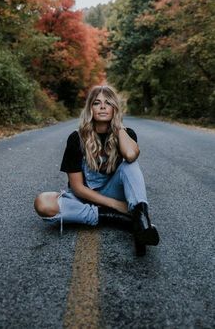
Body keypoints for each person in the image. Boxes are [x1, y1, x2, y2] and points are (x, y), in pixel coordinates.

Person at [34, 85, 159, 256]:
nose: (102, 107)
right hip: (84, 198)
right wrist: (116, 205)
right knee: (43, 203)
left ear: (114, 108)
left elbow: (130, 156)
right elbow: (77, 188)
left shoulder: (126, 134)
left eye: (108, 103)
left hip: (113, 191)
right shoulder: (76, 138)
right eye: (96, 103)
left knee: (131, 165)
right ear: (90, 109)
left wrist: (119, 127)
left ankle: (141, 220)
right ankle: (120, 218)